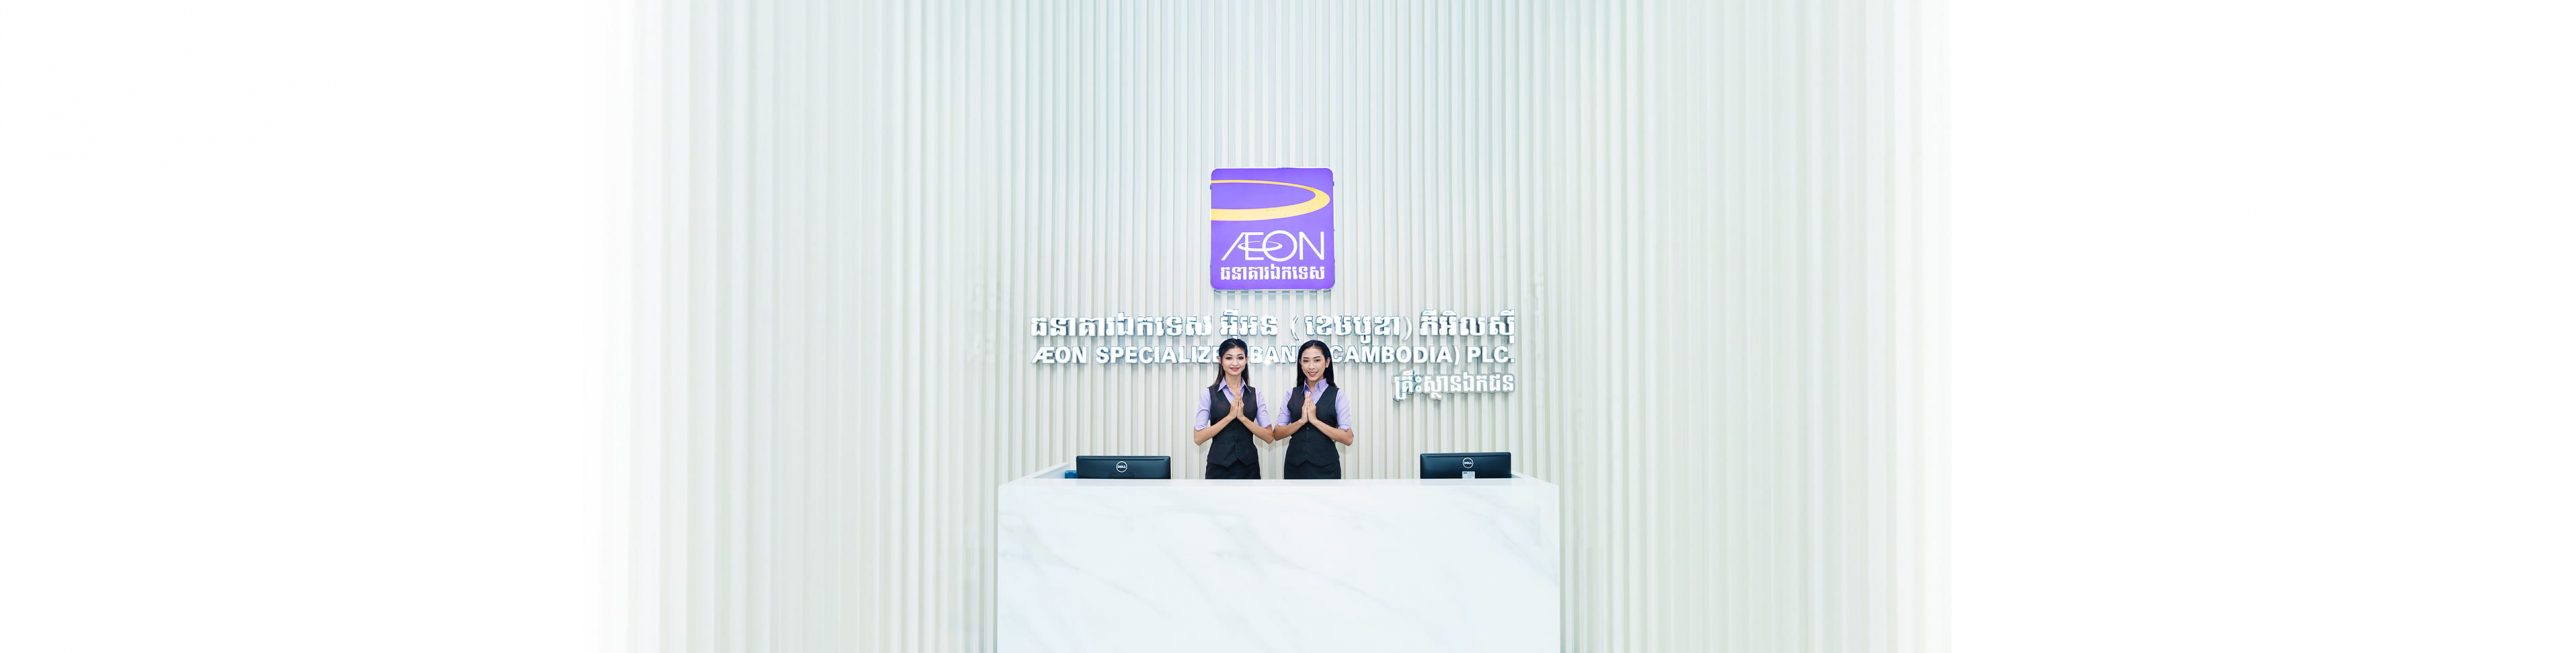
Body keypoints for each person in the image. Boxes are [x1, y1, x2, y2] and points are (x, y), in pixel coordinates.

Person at [1190, 338, 1273, 479]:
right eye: (1229, 358)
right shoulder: (1208, 394)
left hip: (1249, 469)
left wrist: (1242, 418)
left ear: (1246, 360)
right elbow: (1198, 438)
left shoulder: (1256, 394)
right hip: (1218, 469)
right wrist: (1229, 417)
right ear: (1220, 360)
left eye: (1240, 358)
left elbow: (1269, 436)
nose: (1235, 363)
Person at [1273, 339, 1353, 479]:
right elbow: (1277, 433)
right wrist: (1301, 421)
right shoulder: (1291, 394)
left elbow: (1347, 438)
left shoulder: (1338, 395)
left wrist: (1315, 421)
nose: (1311, 366)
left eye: (1317, 360)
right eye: (1306, 361)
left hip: (1327, 470)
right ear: (1300, 363)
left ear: (1327, 362)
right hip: (1294, 469)